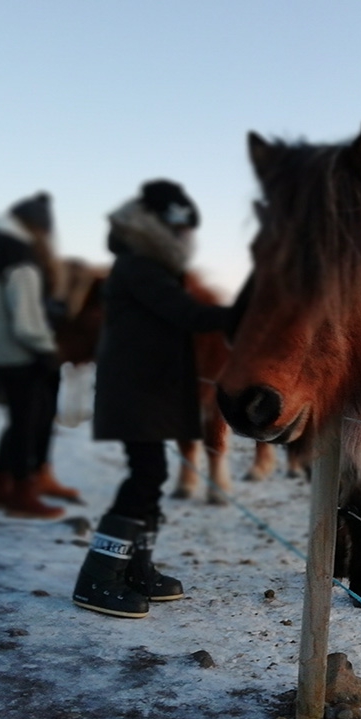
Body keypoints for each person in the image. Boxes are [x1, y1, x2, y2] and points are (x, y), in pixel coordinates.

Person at [72, 180, 238, 618]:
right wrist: (245, 314)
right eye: (182, 228)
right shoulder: (138, 266)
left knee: (152, 474)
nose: (187, 238)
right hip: (136, 391)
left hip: (147, 389)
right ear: (162, 226)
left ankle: (133, 568)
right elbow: (185, 314)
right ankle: (98, 577)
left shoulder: (148, 265)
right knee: (145, 476)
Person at [0, 192, 78, 519]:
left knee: (17, 419)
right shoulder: (20, 253)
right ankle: (22, 494)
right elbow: (25, 314)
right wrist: (45, 347)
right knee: (29, 420)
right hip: (17, 348)